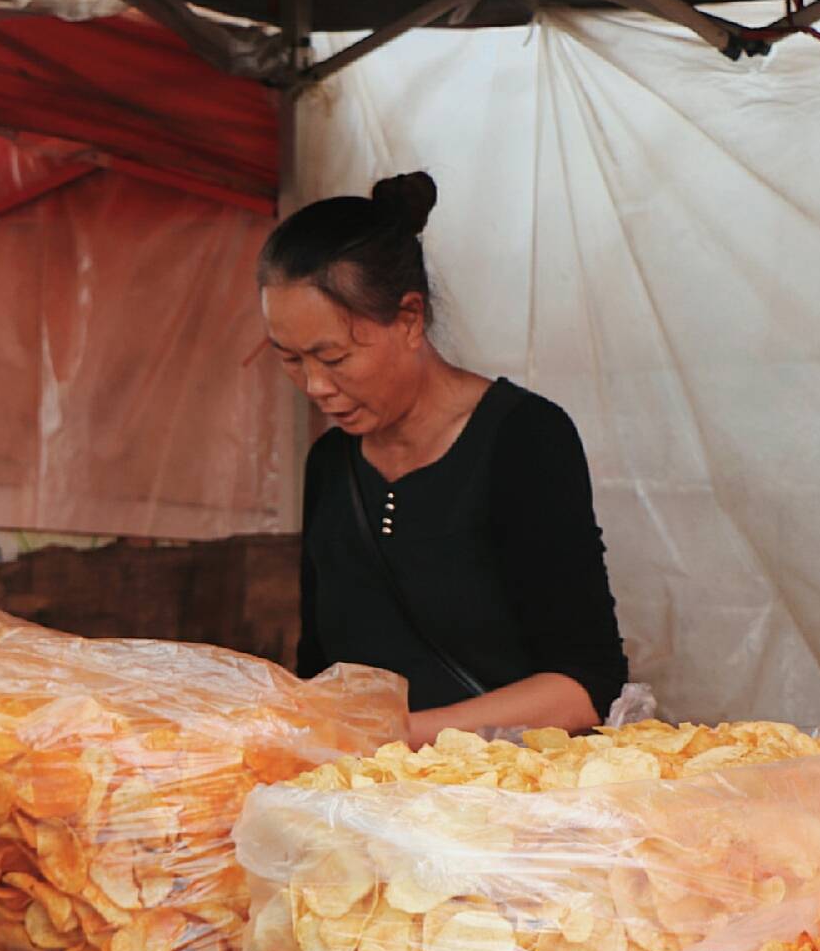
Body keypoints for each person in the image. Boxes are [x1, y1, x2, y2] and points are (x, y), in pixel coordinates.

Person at [262, 171, 629, 748]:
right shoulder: (330, 463)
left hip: (502, 791)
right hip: (364, 791)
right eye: (290, 359)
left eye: (333, 358)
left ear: (410, 319)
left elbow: (585, 686)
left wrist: (400, 736)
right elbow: (321, 668)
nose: (315, 386)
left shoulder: (524, 440)